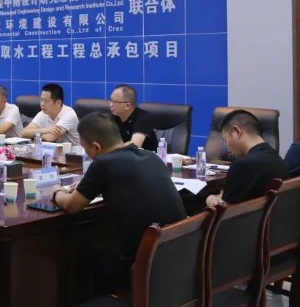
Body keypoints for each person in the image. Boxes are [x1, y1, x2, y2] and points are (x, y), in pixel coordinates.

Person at [51, 112, 185, 293]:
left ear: (96, 147)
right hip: (177, 253)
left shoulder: (102, 164)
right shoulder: (151, 156)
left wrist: (56, 191)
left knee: (90, 258)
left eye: (85, 148)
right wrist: (90, 186)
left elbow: (72, 206)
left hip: (142, 261)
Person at [205, 110, 290, 207]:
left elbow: (225, 210)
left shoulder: (242, 165)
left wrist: (210, 199)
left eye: (225, 140)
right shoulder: (277, 159)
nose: (228, 149)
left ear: (236, 131)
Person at [109, 84, 158, 151]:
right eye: (111, 100)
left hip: (144, 156)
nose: (110, 105)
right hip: (121, 155)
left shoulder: (143, 118)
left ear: (127, 106)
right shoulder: (113, 117)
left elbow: (134, 145)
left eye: (114, 101)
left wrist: (111, 148)